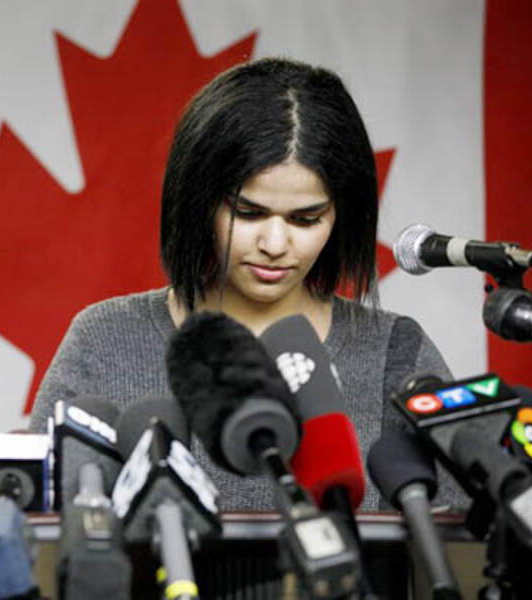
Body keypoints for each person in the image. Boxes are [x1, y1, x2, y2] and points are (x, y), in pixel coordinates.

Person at [29, 57, 460, 512]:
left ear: (341, 215)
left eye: (306, 219)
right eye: (248, 213)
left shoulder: (396, 352)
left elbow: (460, 535)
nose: (274, 244)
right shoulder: (104, 340)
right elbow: (38, 527)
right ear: (198, 201)